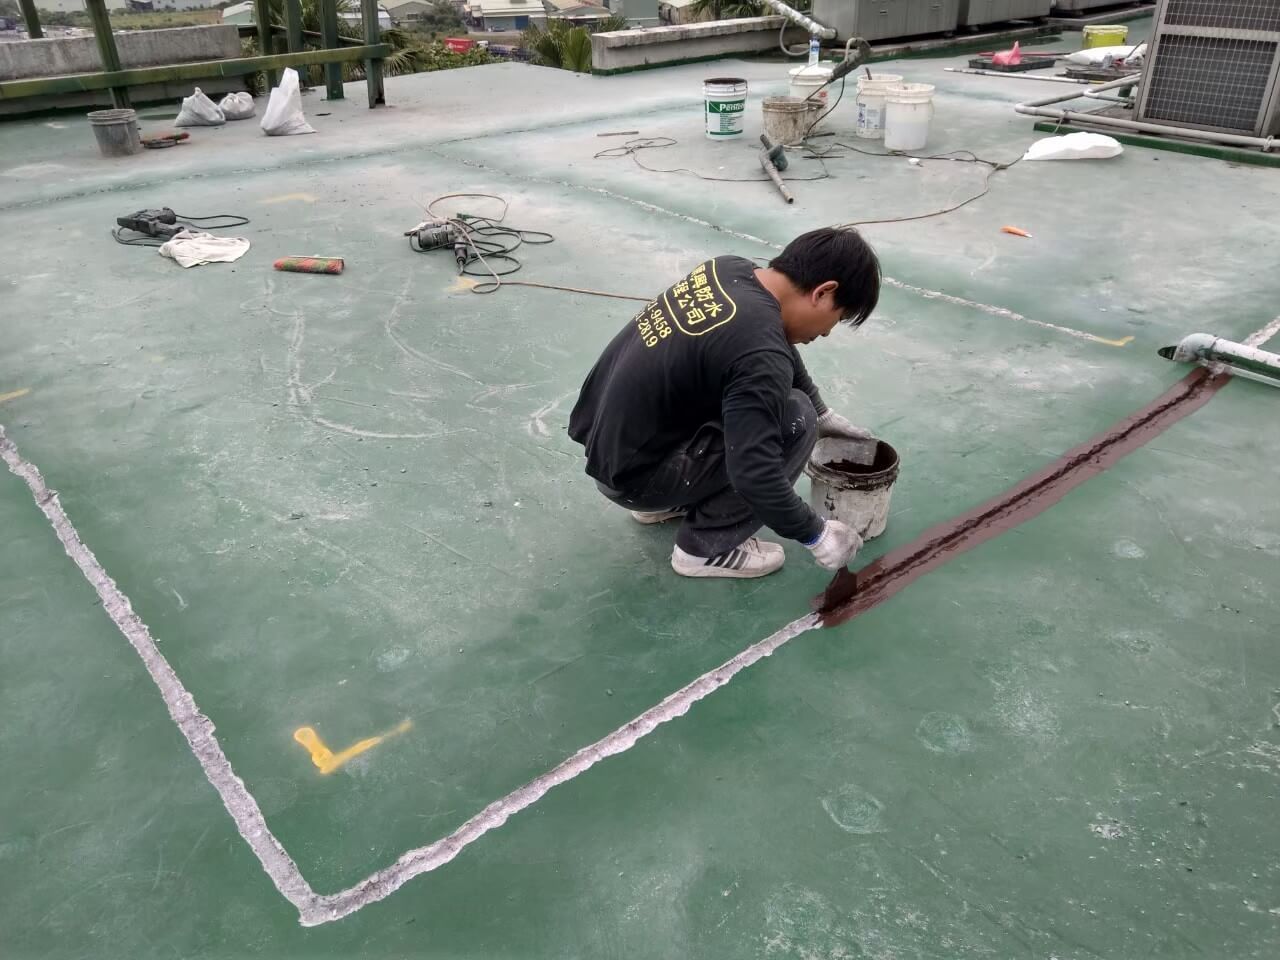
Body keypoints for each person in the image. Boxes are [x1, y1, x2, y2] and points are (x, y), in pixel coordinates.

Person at [568, 227, 881, 579]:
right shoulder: (761, 351)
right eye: (835, 320)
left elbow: (769, 340)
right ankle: (703, 548)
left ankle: (668, 502)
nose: (825, 333)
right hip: (639, 480)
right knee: (796, 418)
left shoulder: (728, 271)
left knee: (768, 398)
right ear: (824, 292)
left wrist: (823, 409)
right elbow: (756, 473)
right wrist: (816, 534)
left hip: (614, 452)